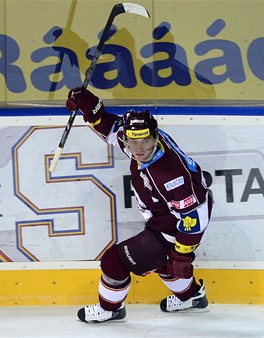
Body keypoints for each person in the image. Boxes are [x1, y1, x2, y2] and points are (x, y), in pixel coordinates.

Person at [65, 87, 213, 323]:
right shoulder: (142, 142)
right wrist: (89, 106)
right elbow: (113, 130)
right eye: (133, 141)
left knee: (114, 262)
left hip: (175, 231)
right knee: (163, 264)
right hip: (163, 220)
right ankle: (192, 297)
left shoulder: (169, 176)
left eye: (145, 140)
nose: (139, 148)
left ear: (155, 137)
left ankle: (110, 309)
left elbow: (195, 218)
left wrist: (181, 254)